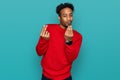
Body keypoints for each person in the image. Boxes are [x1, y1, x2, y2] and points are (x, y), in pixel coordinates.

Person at [36, 2, 82, 80]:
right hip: (46, 76)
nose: (68, 18)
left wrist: (68, 41)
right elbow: (39, 52)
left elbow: (71, 58)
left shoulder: (77, 36)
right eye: (65, 16)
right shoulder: (48, 29)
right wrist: (44, 40)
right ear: (59, 17)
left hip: (65, 77)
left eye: (71, 15)